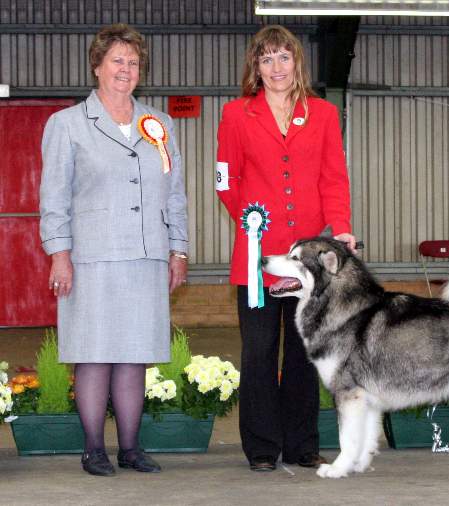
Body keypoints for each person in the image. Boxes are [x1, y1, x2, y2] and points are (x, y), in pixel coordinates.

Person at [39, 23, 188, 476]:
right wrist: (59, 253)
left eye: (134, 62)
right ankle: (93, 449)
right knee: (94, 353)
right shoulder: (66, 124)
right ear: (98, 67)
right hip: (91, 258)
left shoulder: (158, 124)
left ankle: (130, 447)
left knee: (134, 354)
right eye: (117, 61)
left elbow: (174, 192)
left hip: (147, 257)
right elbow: (53, 196)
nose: (126, 69)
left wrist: (178, 249)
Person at [216, 25, 356, 472]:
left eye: (283, 57)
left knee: (303, 350)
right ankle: (260, 447)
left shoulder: (324, 114)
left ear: (297, 62)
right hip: (256, 255)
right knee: (258, 351)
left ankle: (302, 444)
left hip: (309, 260)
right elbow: (225, 179)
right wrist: (251, 221)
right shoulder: (237, 114)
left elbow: (334, 176)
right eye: (266, 58)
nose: (276, 67)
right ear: (255, 67)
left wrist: (343, 227)